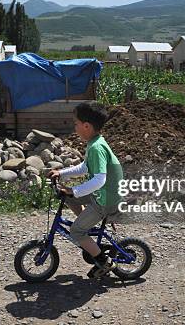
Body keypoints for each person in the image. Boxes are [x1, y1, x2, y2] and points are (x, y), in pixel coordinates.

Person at [47, 101, 123, 278]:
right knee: (69, 196)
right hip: (102, 193)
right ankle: (86, 226)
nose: (74, 127)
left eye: (76, 123)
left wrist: (75, 190)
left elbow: (99, 179)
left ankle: (105, 262)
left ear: (86, 126)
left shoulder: (96, 148)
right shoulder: (95, 142)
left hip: (106, 198)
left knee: (75, 231)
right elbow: (84, 167)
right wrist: (61, 173)